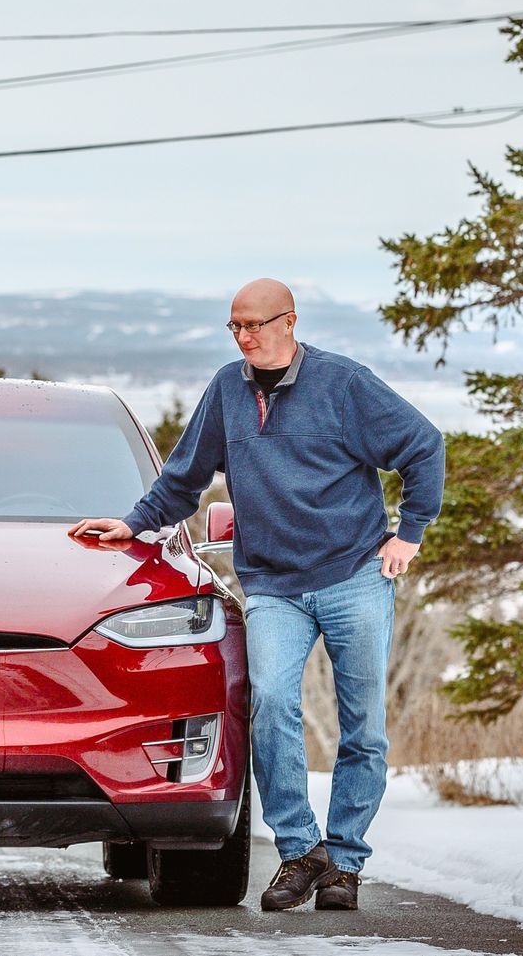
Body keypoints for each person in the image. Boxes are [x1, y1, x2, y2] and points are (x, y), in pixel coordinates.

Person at [69, 278, 444, 913]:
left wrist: (409, 533)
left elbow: (422, 446)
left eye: (255, 326)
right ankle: (300, 853)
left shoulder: (343, 385)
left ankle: (345, 861)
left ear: (289, 322)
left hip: (354, 575)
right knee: (269, 706)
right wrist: (133, 524)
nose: (244, 338)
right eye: (235, 327)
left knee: (364, 730)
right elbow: (185, 479)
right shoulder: (227, 391)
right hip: (272, 585)